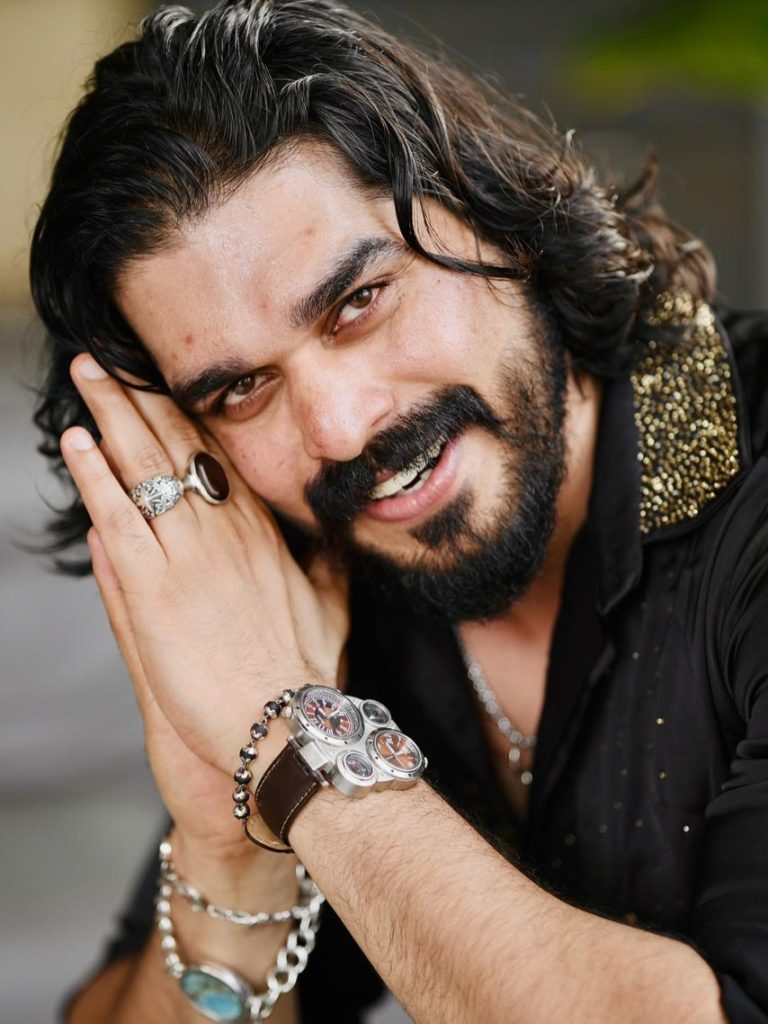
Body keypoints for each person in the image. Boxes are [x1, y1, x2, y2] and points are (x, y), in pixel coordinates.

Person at [30, 1, 768, 1021]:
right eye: (241, 389)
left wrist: (294, 745)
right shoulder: (332, 592)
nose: (340, 428)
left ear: (490, 214)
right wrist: (230, 848)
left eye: (359, 301)